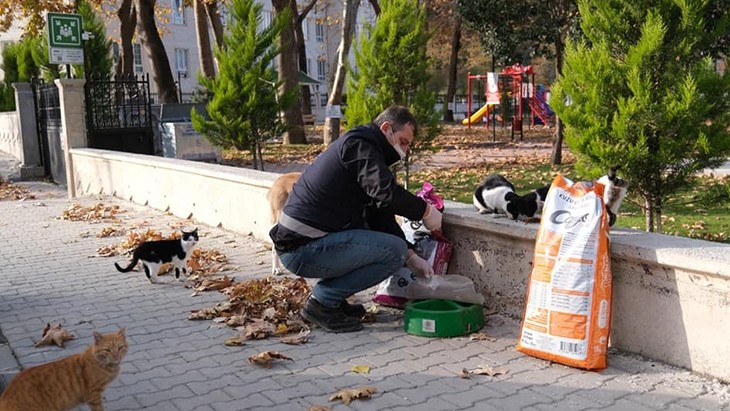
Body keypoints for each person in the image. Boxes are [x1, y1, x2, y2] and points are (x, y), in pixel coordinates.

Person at [269, 105, 443, 332]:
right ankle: (322, 303)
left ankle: (333, 300)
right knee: (393, 252)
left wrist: (411, 256)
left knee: (398, 249)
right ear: (386, 128)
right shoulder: (360, 145)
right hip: (301, 249)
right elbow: (385, 193)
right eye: (403, 142)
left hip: (304, 245)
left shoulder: (365, 153)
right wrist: (426, 212)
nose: (405, 151)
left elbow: (379, 213)